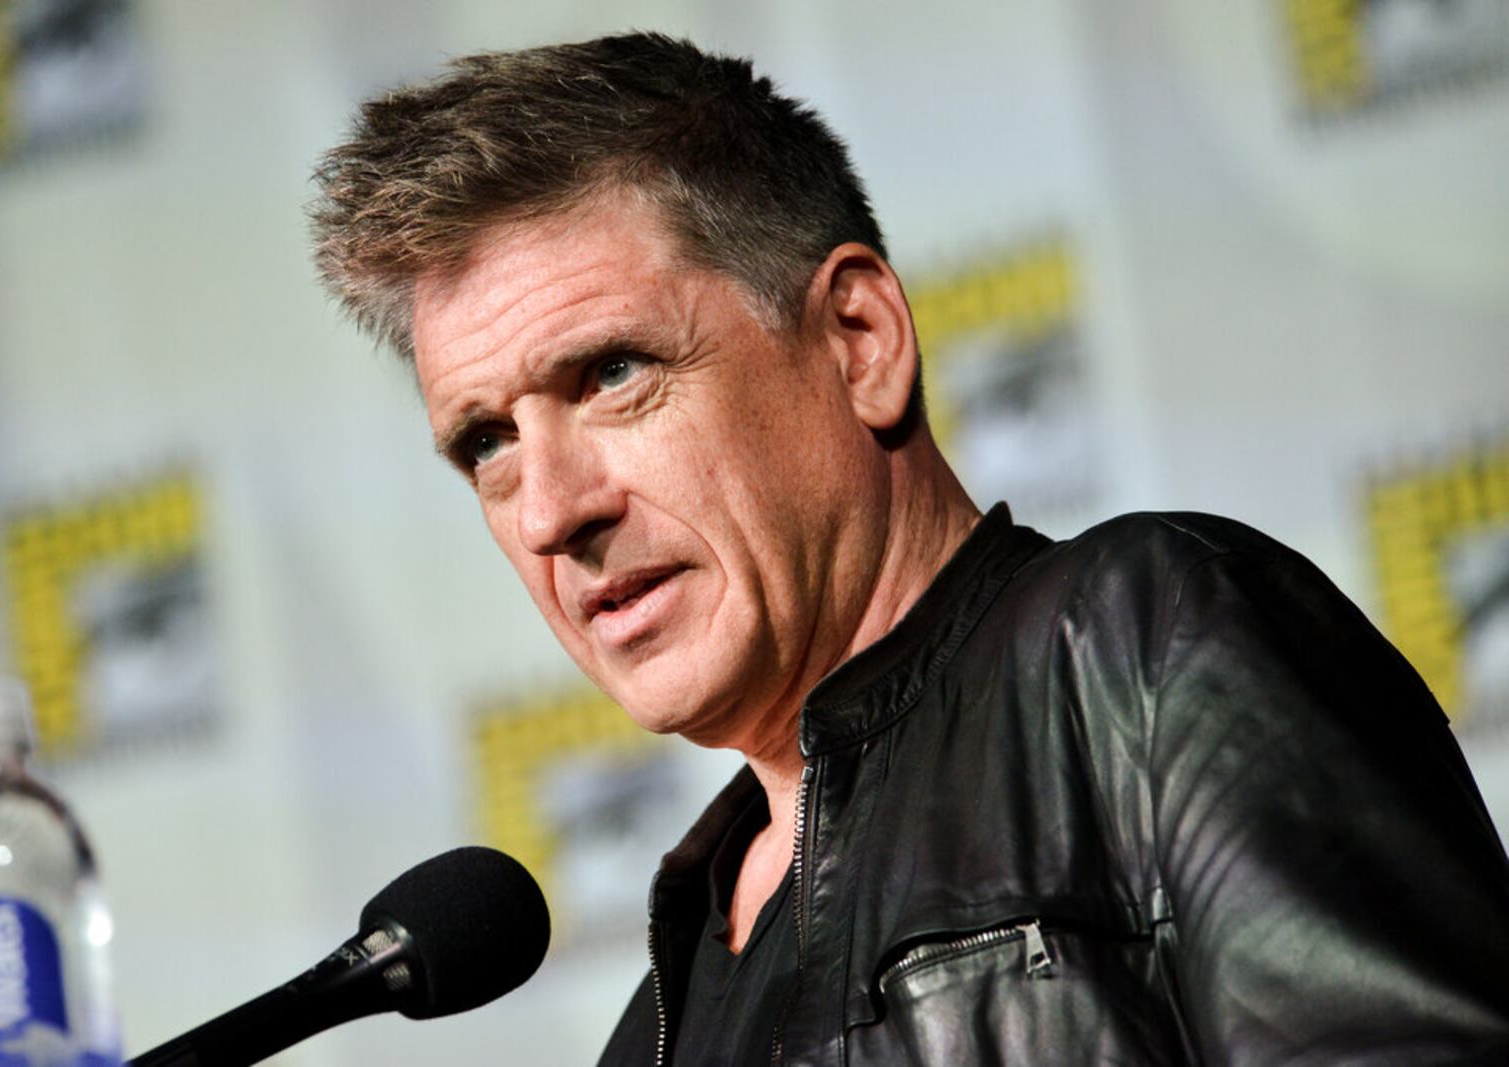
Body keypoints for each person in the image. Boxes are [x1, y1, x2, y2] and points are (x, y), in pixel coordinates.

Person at [308, 32, 1509, 1065]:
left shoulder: (1143, 652)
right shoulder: (662, 1017)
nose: (546, 511)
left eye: (613, 371)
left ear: (859, 338)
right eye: (485, 443)